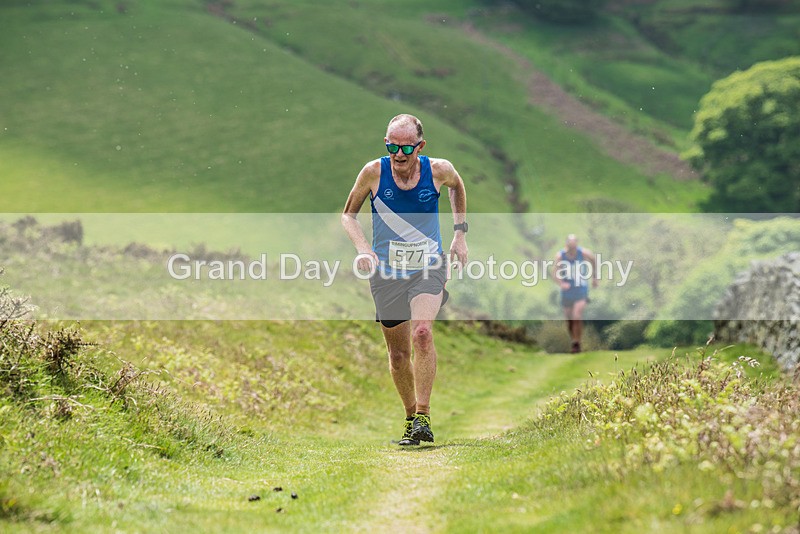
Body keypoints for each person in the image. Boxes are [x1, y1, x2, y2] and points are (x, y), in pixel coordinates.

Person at [341, 114, 468, 445]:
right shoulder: (373, 173)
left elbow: (458, 186)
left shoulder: (438, 170)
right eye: (392, 146)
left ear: (420, 146)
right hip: (386, 272)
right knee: (398, 356)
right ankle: (411, 417)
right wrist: (363, 249)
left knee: (423, 334)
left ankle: (424, 415)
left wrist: (459, 234)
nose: (399, 154)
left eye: (406, 148)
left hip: (430, 266)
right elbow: (348, 215)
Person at [553, 234, 598, 353]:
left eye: (574, 243)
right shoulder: (560, 256)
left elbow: (594, 260)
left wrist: (595, 277)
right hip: (567, 291)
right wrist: (561, 283)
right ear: (567, 244)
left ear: (577, 244)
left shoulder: (583, 253)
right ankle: (574, 340)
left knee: (576, 315)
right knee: (569, 320)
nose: (572, 246)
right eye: (570, 243)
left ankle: (577, 342)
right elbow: (555, 273)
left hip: (581, 288)